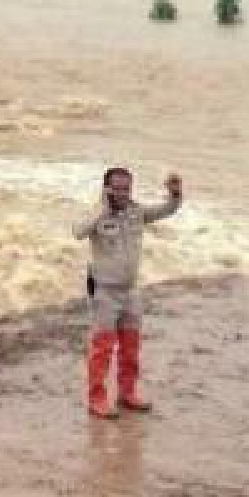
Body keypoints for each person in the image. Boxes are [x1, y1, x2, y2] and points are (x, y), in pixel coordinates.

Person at [72, 166, 183, 418]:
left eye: (126, 188)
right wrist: (103, 209)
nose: (122, 193)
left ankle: (127, 393)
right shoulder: (97, 213)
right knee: (102, 347)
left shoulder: (137, 212)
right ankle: (96, 398)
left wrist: (175, 195)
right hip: (105, 292)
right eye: (117, 188)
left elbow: (165, 210)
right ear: (106, 188)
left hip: (130, 290)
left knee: (131, 346)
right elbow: (77, 232)